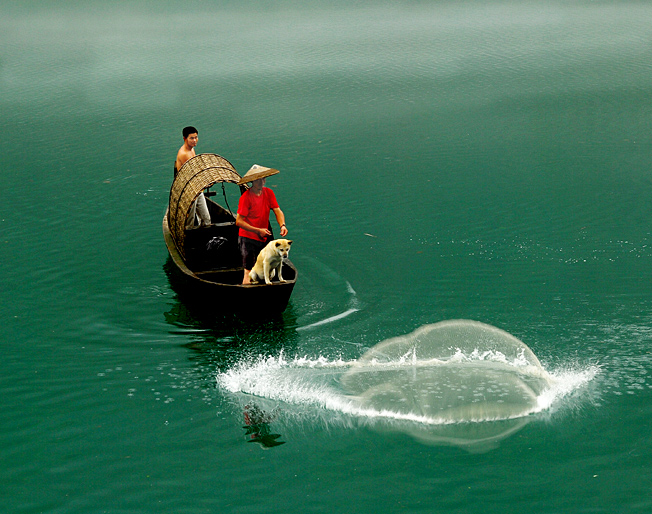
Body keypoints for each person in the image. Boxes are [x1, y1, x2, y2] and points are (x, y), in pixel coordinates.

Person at [236, 164, 288, 284]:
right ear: (253, 181)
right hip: (248, 237)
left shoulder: (269, 193)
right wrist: (257, 230)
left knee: (269, 266)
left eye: (263, 179)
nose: (262, 182)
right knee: (249, 271)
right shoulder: (246, 197)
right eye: (258, 180)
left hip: (264, 235)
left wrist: (282, 225)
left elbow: (277, 210)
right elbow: (238, 221)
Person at [174, 126, 211, 227]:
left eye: (196, 137)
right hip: (189, 191)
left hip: (197, 189)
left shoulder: (192, 150)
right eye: (191, 138)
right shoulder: (184, 154)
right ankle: (187, 240)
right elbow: (192, 174)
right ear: (184, 138)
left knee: (206, 219)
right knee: (190, 221)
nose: (195, 140)